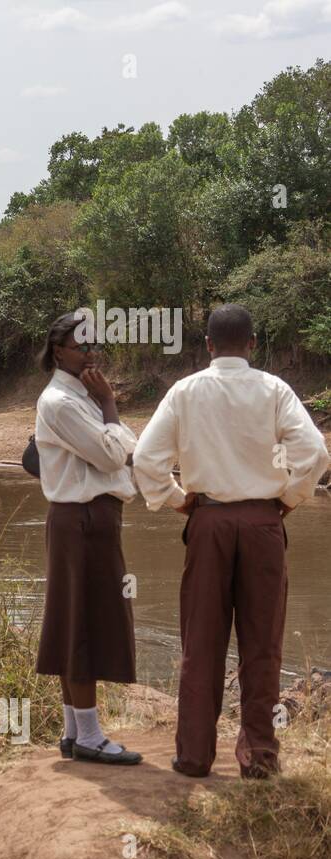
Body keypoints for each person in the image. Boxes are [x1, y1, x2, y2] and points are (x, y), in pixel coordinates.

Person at [133, 304, 330, 779]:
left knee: (201, 643)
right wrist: (287, 500)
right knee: (262, 645)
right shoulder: (274, 389)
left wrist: (179, 502)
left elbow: (145, 460)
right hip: (263, 526)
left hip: (209, 523)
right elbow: (316, 455)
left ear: (207, 345)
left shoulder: (185, 391)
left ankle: (194, 757)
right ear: (253, 344)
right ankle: (259, 759)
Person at [34, 311, 143, 765]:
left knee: (73, 620)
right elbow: (110, 453)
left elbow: (127, 450)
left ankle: (74, 732)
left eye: (96, 346)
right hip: (82, 520)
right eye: (84, 347)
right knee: (82, 624)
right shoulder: (62, 401)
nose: (93, 353)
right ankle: (91, 738)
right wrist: (112, 406)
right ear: (59, 351)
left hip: (84, 520)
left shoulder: (78, 397)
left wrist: (108, 416)